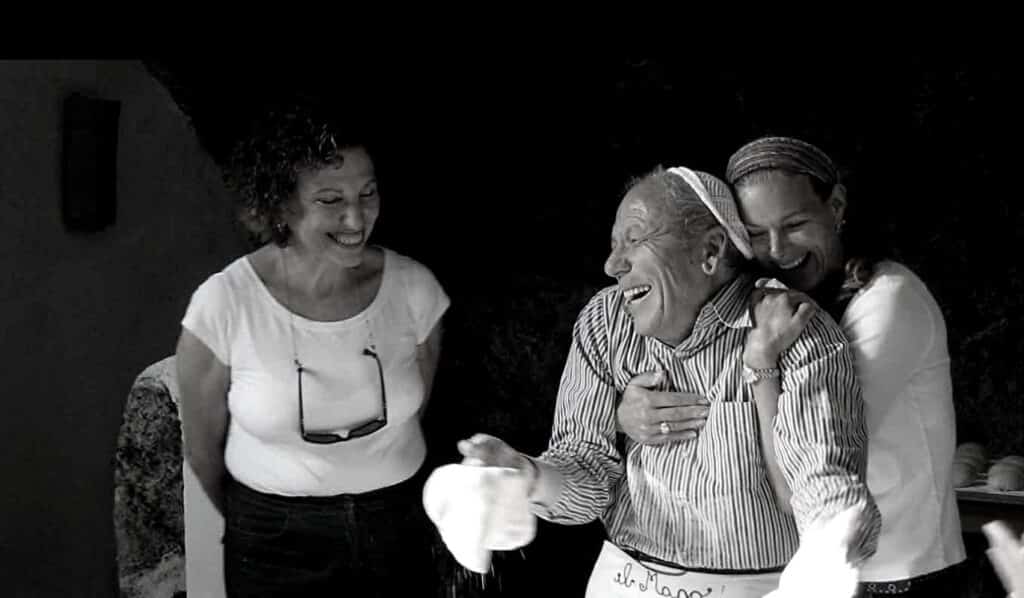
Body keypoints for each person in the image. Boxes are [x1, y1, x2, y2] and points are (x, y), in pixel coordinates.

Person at [457, 165, 880, 598]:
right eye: (613, 245)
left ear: (710, 251)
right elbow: (586, 469)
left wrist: (831, 541)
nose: (612, 264)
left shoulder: (794, 327)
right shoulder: (606, 322)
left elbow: (819, 474)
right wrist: (524, 475)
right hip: (624, 581)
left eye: (635, 240)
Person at [621, 136, 966, 597]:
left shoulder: (887, 301)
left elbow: (797, 469)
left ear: (837, 205)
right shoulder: (775, 305)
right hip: (818, 573)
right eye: (758, 234)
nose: (779, 250)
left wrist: (761, 364)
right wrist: (626, 412)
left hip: (901, 577)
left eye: (795, 224)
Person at [175, 101, 449, 596]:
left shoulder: (416, 289)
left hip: (397, 525)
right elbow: (202, 450)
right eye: (329, 199)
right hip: (274, 542)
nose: (356, 217)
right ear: (281, 204)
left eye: (368, 193)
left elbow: (418, 406)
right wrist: (275, 513)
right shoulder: (224, 302)